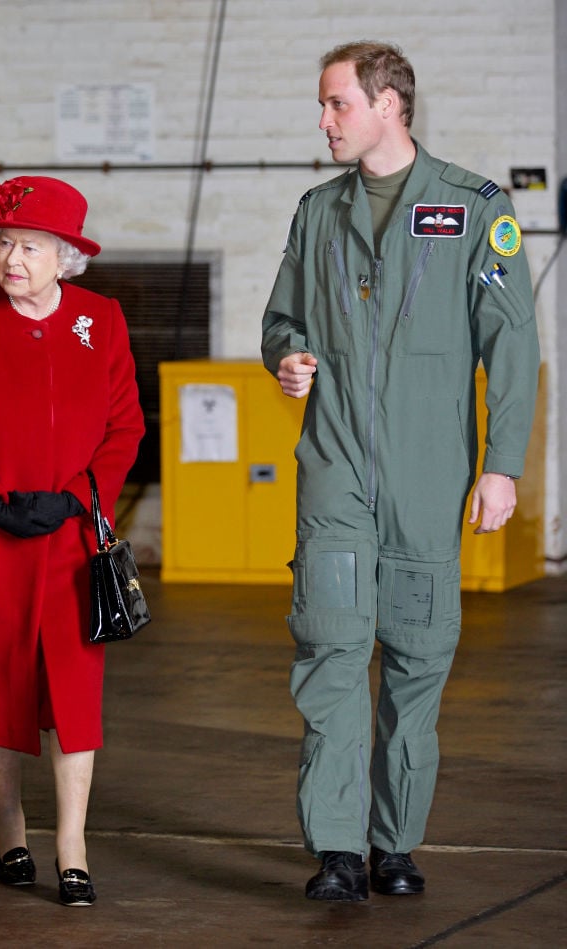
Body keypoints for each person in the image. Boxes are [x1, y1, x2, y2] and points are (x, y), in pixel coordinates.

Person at [262, 41, 541, 902]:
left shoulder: (474, 208)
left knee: (417, 660)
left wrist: (501, 467)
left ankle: (395, 843)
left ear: (388, 104)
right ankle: (339, 847)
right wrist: (289, 358)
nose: (323, 121)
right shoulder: (317, 212)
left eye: (336, 104)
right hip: (336, 472)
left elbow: (515, 346)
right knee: (333, 650)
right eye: (323, 105)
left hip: (429, 478)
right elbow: (280, 321)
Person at [0, 177, 145, 906]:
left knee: (72, 693)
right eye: (4, 244)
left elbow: (125, 428)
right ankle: (8, 821)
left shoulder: (101, 320)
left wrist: (78, 496)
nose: (12, 259)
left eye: (31, 247)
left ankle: (71, 841)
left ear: (66, 257)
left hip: (72, 540)